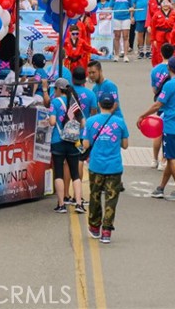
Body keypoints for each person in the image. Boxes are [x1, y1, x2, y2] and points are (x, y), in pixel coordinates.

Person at [140, 56, 175, 201]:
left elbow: (158, 104)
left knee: (171, 158)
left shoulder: (169, 85)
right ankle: (161, 187)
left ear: (169, 69)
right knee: (171, 158)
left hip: (170, 126)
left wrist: (143, 116)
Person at [82, 91, 128, 244]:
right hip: (114, 166)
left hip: (96, 165)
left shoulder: (90, 122)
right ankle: (107, 231)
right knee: (111, 198)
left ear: (99, 104)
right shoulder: (120, 122)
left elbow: (86, 144)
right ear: (113, 105)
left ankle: (94, 226)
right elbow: (125, 145)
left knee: (95, 196)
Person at [48, 79, 84, 214]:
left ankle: (61, 204)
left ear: (58, 89)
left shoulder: (55, 103)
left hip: (58, 141)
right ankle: (79, 204)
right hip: (73, 141)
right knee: (75, 173)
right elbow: (83, 123)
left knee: (58, 173)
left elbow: (52, 122)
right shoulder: (74, 102)